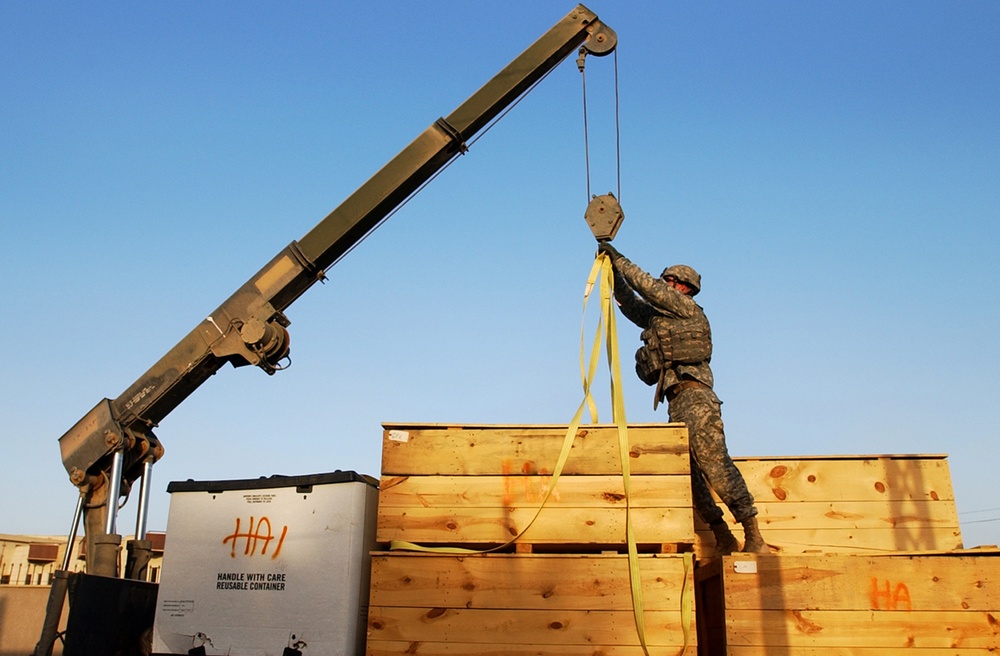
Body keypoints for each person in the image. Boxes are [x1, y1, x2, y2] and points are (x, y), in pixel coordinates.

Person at [597, 242, 767, 554]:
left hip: (697, 398)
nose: (664, 284)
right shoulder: (659, 318)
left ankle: (753, 533)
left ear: (683, 288)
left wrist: (619, 258)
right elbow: (629, 301)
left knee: (714, 464)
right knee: (688, 474)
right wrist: (610, 269)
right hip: (676, 401)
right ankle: (722, 535)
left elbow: (647, 287)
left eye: (669, 281)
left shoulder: (685, 309)